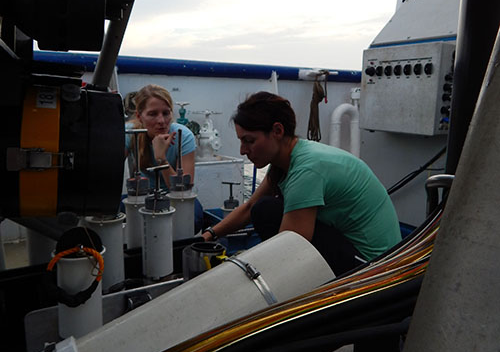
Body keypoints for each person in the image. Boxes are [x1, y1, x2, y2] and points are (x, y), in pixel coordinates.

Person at [201, 91, 401, 275]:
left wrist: (242, 270)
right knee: (262, 209)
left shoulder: (306, 169)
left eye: (249, 141)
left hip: (373, 266)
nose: (242, 150)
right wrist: (209, 235)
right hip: (353, 247)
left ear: (277, 131)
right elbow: (249, 207)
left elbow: (289, 249)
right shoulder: (288, 159)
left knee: (267, 211)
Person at [125, 84, 196, 191]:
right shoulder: (130, 133)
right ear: (139, 117)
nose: (161, 121)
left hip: (175, 197)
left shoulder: (184, 136)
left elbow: (183, 191)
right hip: (143, 194)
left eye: (166, 113)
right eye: (153, 114)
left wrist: (161, 159)